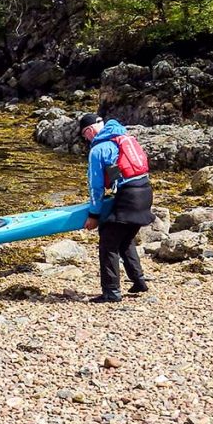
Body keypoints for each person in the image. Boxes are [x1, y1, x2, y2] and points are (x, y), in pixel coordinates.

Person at [79, 114, 154, 303]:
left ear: (88, 131)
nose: (87, 140)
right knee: (125, 237)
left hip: (129, 196)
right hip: (145, 192)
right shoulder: (124, 138)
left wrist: (93, 215)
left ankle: (111, 292)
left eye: (84, 136)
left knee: (108, 242)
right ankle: (139, 281)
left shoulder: (98, 149)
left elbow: (96, 187)